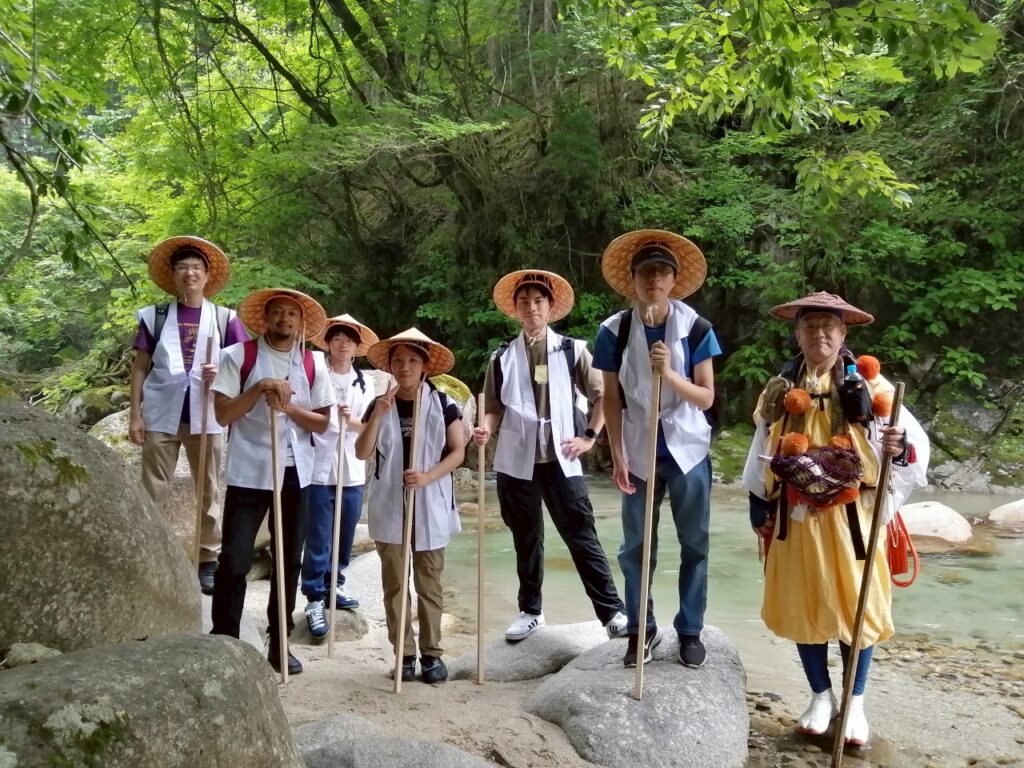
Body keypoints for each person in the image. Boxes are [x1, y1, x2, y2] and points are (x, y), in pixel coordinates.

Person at [742, 291, 929, 745]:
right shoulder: (781, 388)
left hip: (853, 519)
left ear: (843, 333)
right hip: (797, 516)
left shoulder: (873, 388)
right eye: (810, 326)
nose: (819, 334)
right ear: (797, 333)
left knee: (856, 609)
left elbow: (911, 453)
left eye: (829, 326)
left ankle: (856, 703)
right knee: (805, 605)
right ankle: (820, 695)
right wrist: (759, 505)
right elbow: (761, 447)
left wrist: (896, 447)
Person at [472, 269, 627, 642]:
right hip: (515, 460)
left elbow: (603, 395)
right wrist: (485, 429)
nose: (531, 308)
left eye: (538, 301)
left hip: (562, 457)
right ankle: (530, 611)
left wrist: (589, 437)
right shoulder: (502, 357)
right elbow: (493, 406)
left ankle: (612, 612)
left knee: (581, 535)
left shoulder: (573, 349)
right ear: (516, 309)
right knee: (526, 538)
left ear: (550, 307)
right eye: (524, 302)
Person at [593, 230, 722, 669]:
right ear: (632, 279)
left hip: (686, 447)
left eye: (662, 272)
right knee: (635, 547)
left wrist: (669, 374)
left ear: (673, 280)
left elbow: (706, 397)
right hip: (637, 446)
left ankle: (690, 629)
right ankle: (640, 631)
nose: (654, 279)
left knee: (695, 541)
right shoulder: (614, 330)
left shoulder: (696, 328)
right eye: (646, 271)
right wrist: (617, 454)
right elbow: (610, 397)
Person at [209, 288, 333, 675]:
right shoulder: (238, 356)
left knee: (288, 561)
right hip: (250, 468)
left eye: (291, 314)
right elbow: (224, 415)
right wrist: (258, 388)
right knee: (234, 558)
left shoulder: (313, 362)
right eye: (277, 313)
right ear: (265, 319)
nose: (284, 319)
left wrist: (290, 407)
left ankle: (279, 643)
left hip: (297, 470)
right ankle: (225, 638)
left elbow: (323, 422)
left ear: (300, 323)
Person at [128, 236, 249, 593]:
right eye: (183, 267)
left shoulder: (225, 318)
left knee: (208, 490)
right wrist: (135, 415)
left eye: (196, 267)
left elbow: (243, 366)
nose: (190, 273)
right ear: (174, 274)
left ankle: (207, 559)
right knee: (152, 488)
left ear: (207, 275)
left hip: (208, 414)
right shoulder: (156, 316)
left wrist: (223, 374)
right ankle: (149, 553)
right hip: (161, 413)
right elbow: (139, 367)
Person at [355, 328, 465, 684]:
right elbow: (362, 452)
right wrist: (377, 415)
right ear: (390, 366)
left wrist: (429, 476)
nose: (405, 367)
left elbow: (458, 452)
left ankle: (432, 654)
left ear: (424, 367)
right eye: (398, 360)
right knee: (395, 584)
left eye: (413, 360)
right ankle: (403, 653)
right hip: (390, 501)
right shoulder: (379, 404)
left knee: (429, 583)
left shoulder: (444, 404)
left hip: (429, 501)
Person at [301, 314, 378, 638]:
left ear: (356, 347)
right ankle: (314, 597)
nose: (342, 343)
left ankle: (336, 584)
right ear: (328, 342)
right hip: (319, 461)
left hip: (351, 466)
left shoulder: (365, 382)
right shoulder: (315, 370)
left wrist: (354, 419)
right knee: (319, 534)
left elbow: (370, 425)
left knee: (345, 530)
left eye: (348, 339)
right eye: (337, 338)